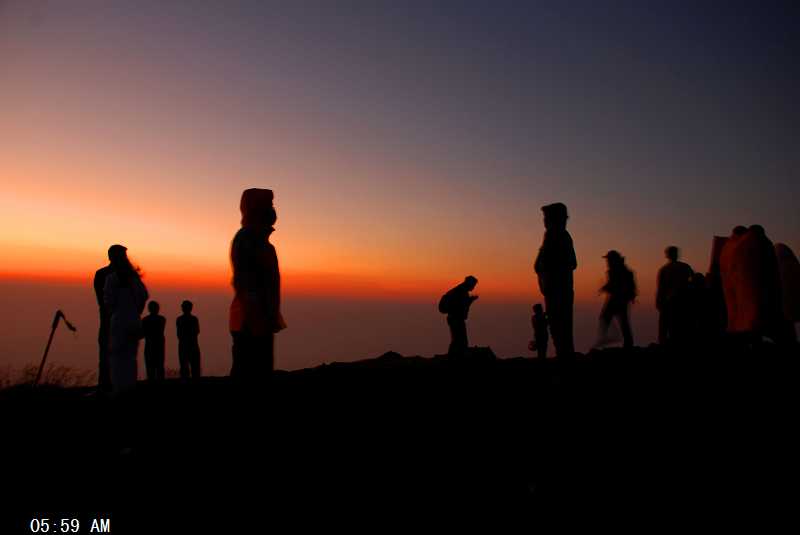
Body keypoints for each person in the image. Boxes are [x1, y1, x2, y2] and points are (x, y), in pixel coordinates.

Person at [230, 188, 286, 380]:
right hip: (250, 323)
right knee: (250, 375)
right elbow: (244, 283)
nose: (272, 209)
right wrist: (257, 321)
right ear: (256, 209)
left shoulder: (262, 243)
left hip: (259, 321)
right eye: (269, 204)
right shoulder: (247, 239)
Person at [103, 246, 148, 394]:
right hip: (133, 319)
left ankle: (120, 389)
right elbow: (144, 296)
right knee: (130, 357)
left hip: (119, 321)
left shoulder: (112, 279)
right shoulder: (135, 278)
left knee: (117, 356)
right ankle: (129, 388)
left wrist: (115, 312)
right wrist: (136, 312)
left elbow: (108, 302)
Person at [534, 202, 577, 358]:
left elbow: (571, 263)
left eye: (546, 217)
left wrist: (550, 268)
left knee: (561, 332)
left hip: (559, 292)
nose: (544, 221)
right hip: (555, 292)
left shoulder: (559, 236)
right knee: (559, 331)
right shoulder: (554, 236)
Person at [94, 244, 127, 392]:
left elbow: (101, 300)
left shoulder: (102, 273)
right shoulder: (124, 275)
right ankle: (112, 385)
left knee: (108, 352)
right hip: (114, 318)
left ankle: (107, 385)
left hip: (111, 317)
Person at [595, 250, 636, 350]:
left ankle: (609, 338)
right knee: (622, 321)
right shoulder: (623, 270)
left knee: (607, 317)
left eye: (608, 260)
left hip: (617, 298)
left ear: (613, 260)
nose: (607, 262)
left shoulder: (615, 271)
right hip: (621, 299)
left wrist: (605, 288)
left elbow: (615, 285)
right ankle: (626, 343)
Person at [656, 246, 694, 346]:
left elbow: (661, 288)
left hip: (670, 302)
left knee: (666, 327)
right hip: (682, 301)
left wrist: (659, 301)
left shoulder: (664, 270)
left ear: (667, 255)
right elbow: (693, 282)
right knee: (679, 327)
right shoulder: (685, 267)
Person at [439, 276, 479, 357]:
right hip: (456, 319)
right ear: (470, 283)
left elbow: (461, 306)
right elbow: (460, 306)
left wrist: (469, 300)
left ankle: (453, 358)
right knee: (460, 341)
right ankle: (454, 359)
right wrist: (470, 301)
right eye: (473, 285)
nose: (473, 287)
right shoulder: (462, 292)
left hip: (454, 319)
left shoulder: (460, 290)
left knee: (457, 340)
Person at [141, 300, 166, 382]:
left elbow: (143, 333)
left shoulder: (145, 320)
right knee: (159, 367)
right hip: (159, 346)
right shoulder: (162, 319)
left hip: (150, 346)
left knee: (150, 368)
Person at [176, 300, 201, 379]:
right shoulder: (194, 319)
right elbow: (197, 331)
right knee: (194, 368)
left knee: (185, 367)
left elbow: (179, 334)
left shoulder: (179, 319)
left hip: (184, 345)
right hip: (192, 345)